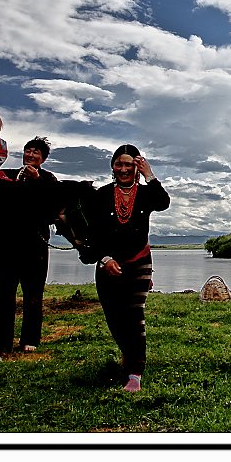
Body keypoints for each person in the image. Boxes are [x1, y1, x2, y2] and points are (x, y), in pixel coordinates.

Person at [84, 144, 170, 392]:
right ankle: (128, 356)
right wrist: (104, 258)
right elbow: (92, 234)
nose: (123, 169)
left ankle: (135, 374)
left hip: (140, 262)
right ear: (112, 167)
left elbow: (163, 202)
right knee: (115, 318)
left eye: (129, 165)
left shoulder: (145, 194)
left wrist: (150, 175)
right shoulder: (100, 195)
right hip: (107, 264)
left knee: (135, 316)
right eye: (119, 164)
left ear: (137, 167)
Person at [0, 136, 58, 357]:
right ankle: (1, 341)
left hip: (36, 245)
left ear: (42, 158)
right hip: (6, 245)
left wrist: (36, 181)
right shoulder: (7, 175)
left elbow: (52, 207)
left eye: (36, 152)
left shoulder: (48, 179)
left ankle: (30, 339)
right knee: (2, 293)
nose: (30, 155)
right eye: (28, 151)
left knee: (34, 293)